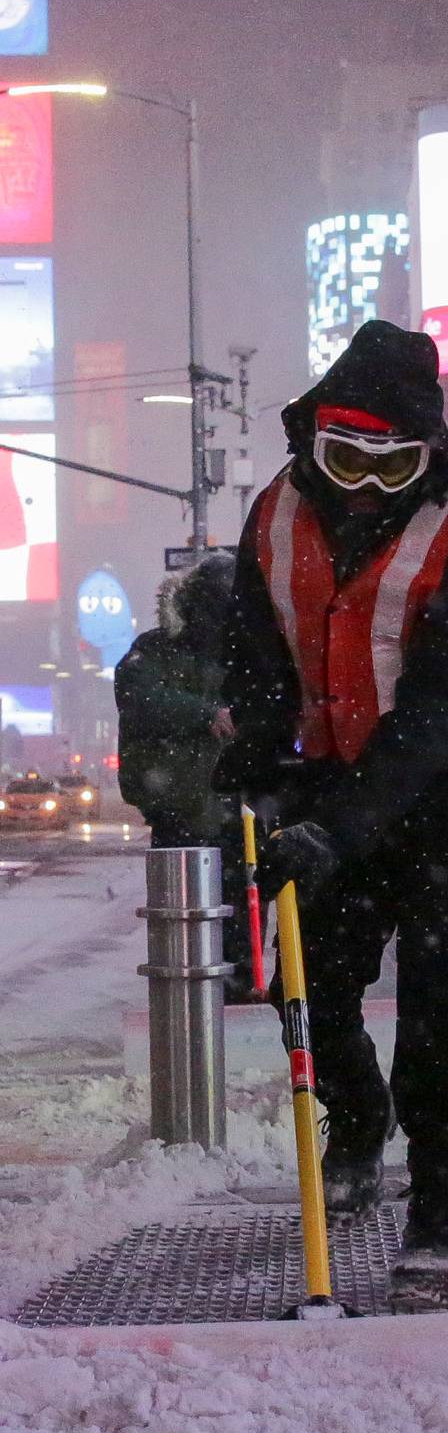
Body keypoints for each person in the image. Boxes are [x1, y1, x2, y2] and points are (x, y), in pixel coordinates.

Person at [221, 320, 448, 1297]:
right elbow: (255, 654)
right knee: (308, 988)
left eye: (387, 467)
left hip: (434, 802)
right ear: (315, 437)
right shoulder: (274, 513)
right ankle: (355, 1129)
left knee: (442, 1024)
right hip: (325, 792)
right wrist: (261, 770)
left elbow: (436, 715)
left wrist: (339, 824)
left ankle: (438, 1214)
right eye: (343, 456)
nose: (360, 485)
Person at [114, 550, 257, 991]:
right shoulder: (155, 650)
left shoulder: (246, 652)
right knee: (190, 927)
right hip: (186, 813)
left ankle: (235, 991)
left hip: (236, 813)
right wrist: (205, 713)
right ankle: (203, 1000)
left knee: (235, 917)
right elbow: (138, 697)